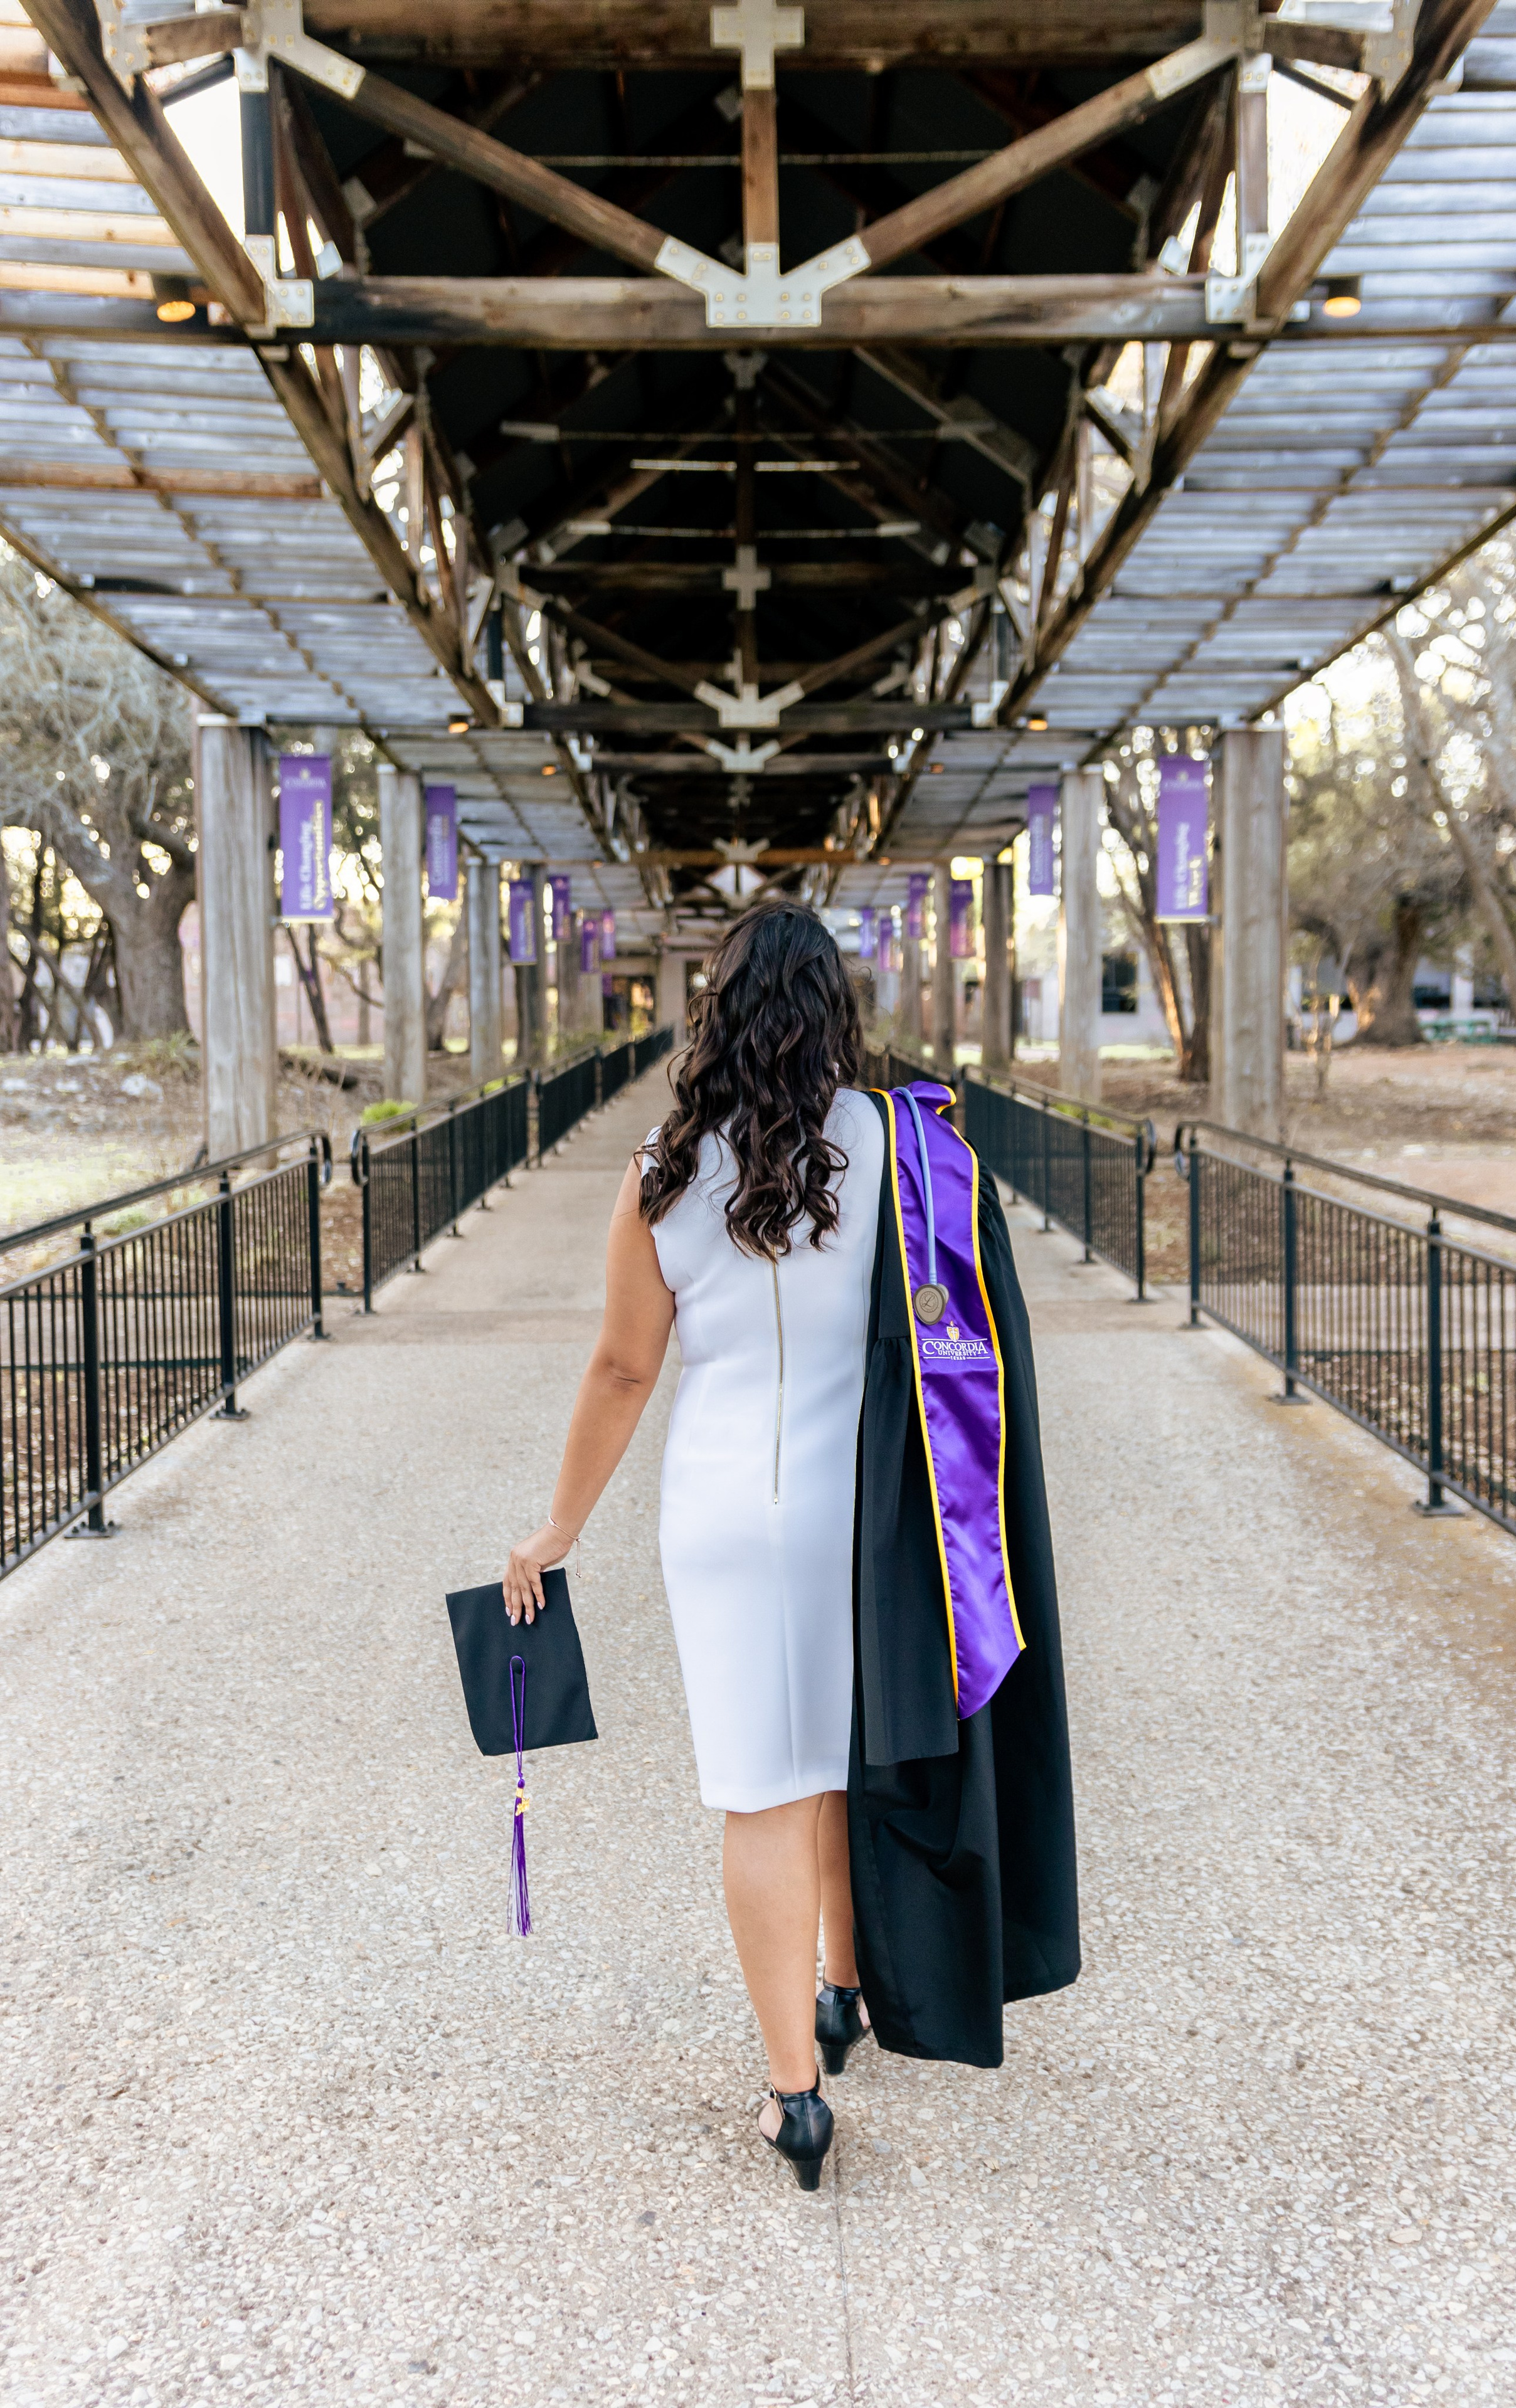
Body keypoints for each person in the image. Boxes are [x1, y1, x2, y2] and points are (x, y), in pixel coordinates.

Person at [504, 899, 1078, 2195]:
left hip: (716, 1517)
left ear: (716, 1009)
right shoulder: (905, 1149)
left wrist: (557, 1525)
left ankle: (794, 2096)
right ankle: (838, 1989)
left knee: (759, 1784)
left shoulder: (660, 1165)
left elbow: (619, 1368)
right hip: (863, 1520)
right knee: (834, 1756)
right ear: (835, 1011)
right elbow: (965, 1340)